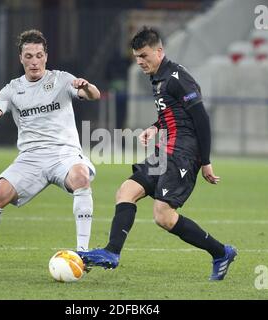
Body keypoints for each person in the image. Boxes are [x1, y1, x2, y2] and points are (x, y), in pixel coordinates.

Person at [78, 27, 237, 281]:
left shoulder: (177, 77)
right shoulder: (158, 78)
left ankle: (221, 252)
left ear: (159, 51)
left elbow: (201, 118)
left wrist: (205, 162)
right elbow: (173, 113)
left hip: (183, 153)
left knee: (163, 216)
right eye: (137, 57)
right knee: (126, 191)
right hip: (164, 150)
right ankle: (112, 252)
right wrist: (155, 127)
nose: (140, 62)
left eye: (144, 55)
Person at [0, 29, 100, 275]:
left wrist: (85, 86)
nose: (34, 61)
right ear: (20, 58)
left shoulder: (62, 79)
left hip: (63, 153)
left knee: (80, 177)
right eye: (29, 56)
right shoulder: (12, 89)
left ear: (46, 56)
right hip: (30, 158)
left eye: (39, 55)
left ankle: (82, 255)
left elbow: (94, 95)